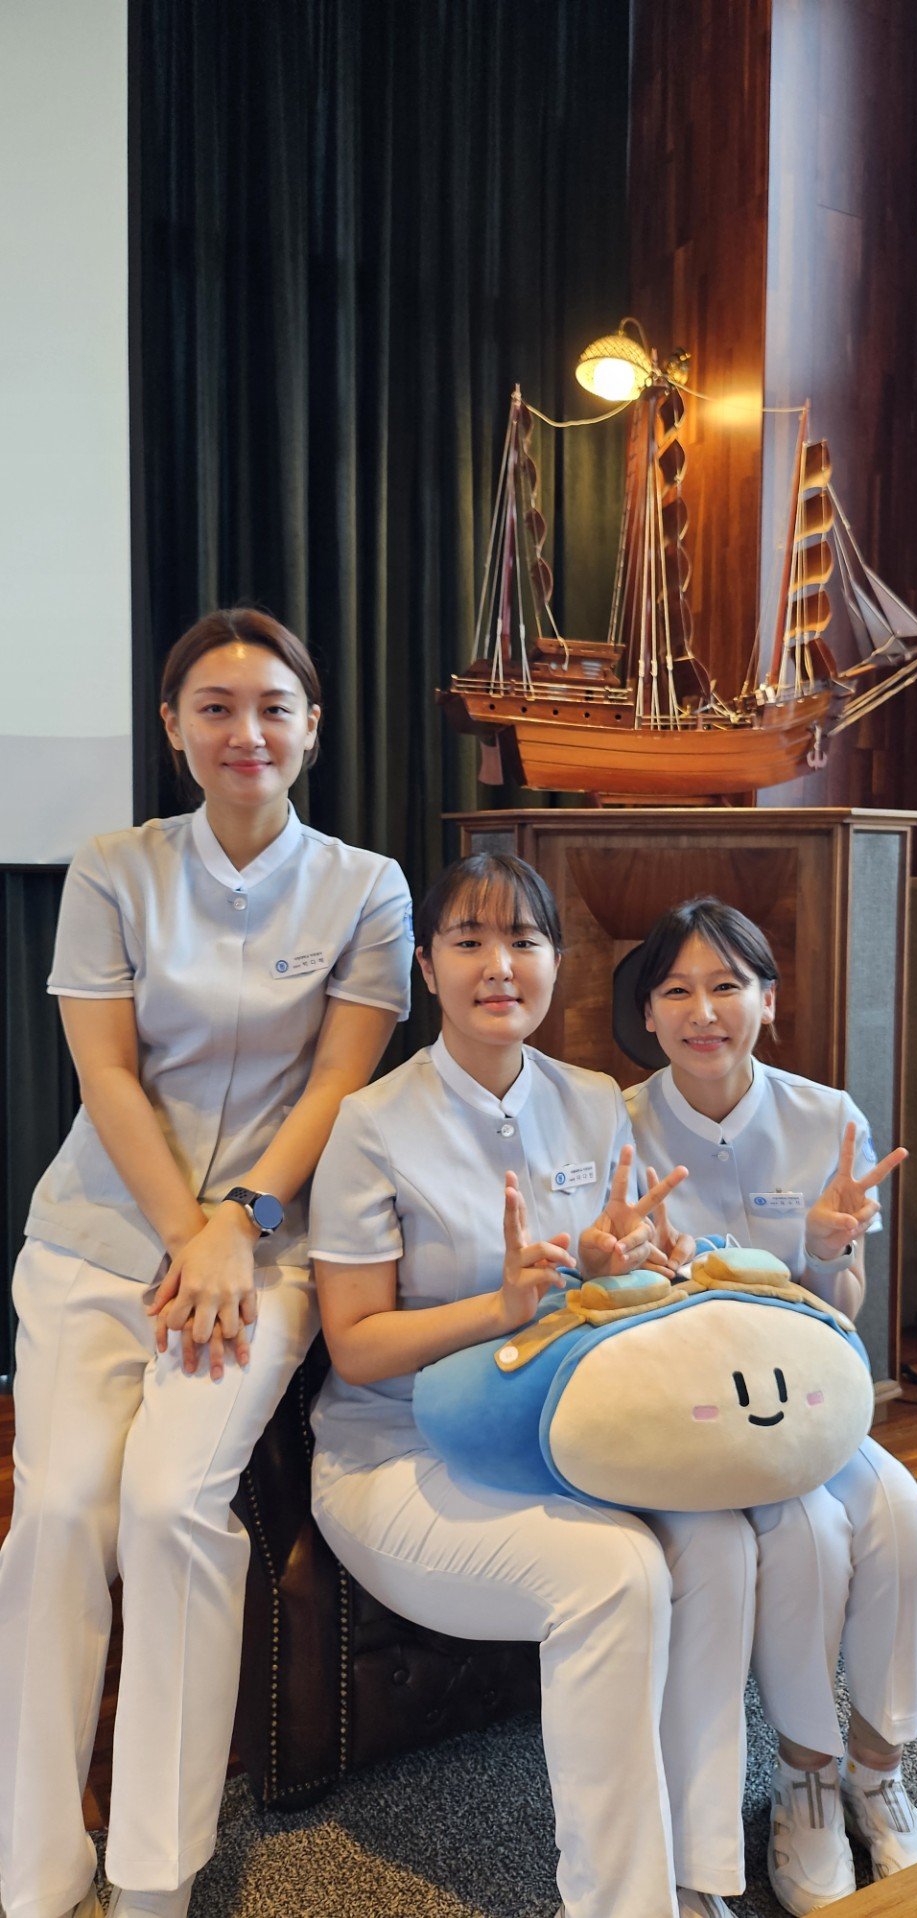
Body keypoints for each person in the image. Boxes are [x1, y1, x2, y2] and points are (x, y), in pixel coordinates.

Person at [0, 608, 413, 1918]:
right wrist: (193, 1232)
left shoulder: (366, 887)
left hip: (267, 1255)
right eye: (217, 707)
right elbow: (108, 1073)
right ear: (174, 726)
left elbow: (340, 1078)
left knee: (172, 1504)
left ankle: (152, 1874)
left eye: (274, 706)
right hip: (98, 1242)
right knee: (58, 1516)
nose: (248, 731)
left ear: (312, 728)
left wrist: (242, 1224)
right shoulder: (113, 868)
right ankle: (33, 1867)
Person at [309, 852, 755, 1918]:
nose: (499, 966)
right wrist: (501, 1307)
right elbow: (356, 1346)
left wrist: (627, 1264)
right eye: (469, 941)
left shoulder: (593, 1099)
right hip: (401, 1452)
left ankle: (700, 1872)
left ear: (559, 961)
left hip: (564, 1434)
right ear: (427, 968)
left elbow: (622, 1273)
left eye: (525, 940)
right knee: (615, 1573)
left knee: (720, 1543)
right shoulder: (371, 1124)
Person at [616, 896, 917, 1916]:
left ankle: (878, 1773)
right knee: (807, 1535)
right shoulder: (616, 1126)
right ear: (648, 1011)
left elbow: (843, 1308)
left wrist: (830, 1247)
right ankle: (805, 1781)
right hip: (698, 1417)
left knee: (906, 1518)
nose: (702, 1012)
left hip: (810, 1393)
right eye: (676, 990)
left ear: (768, 998)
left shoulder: (827, 1118)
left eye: (727, 986)